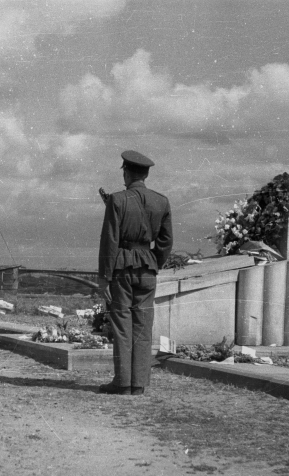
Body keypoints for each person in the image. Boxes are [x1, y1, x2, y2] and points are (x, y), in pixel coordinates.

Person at [98, 150, 173, 395]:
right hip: (147, 269)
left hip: (122, 267)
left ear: (127, 172)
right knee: (143, 326)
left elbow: (109, 241)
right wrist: (153, 261)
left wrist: (104, 277)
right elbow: (165, 241)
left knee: (122, 326)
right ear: (146, 174)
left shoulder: (117, 200)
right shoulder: (161, 201)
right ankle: (138, 384)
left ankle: (122, 383)